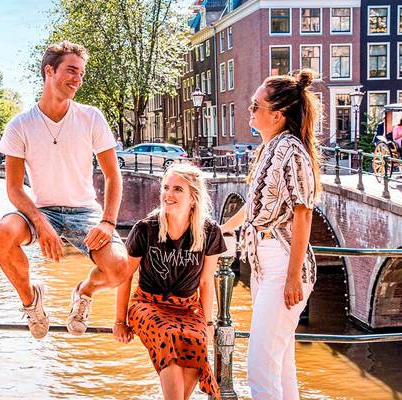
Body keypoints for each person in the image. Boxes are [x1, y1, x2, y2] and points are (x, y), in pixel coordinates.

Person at [0, 40, 129, 339]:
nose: (77, 79)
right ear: (49, 71)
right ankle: (31, 301)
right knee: (2, 232)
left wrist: (107, 221)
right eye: (71, 71)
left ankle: (84, 292)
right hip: (42, 211)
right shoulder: (20, 125)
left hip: (85, 211)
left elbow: (112, 175)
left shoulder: (91, 117)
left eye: (81, 73)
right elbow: (14, 188)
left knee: (119, 268)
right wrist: (40, 222)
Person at [221, 69, 321, 400]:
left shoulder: (290, 150)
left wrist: (293, 276)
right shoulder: (272, 148)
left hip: (282, 266)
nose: (250, 111)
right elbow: (254, 205)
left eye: (255, 106)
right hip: (265, 265)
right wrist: (224, 229)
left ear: (277, 115)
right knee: (280, 367)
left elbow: (303, 212)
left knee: (261, 367)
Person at [113, 163, 225, 400]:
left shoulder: (209, 232)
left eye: (177, 189)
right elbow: (125, 276)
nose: (168, 194)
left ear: (193, 198)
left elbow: (206, 283)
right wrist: (119, 321)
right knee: (169, 338)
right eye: (166, 187)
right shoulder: (146, 228)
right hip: (147, 304)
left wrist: (206, 323)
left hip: (186, 307)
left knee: (196, 344)